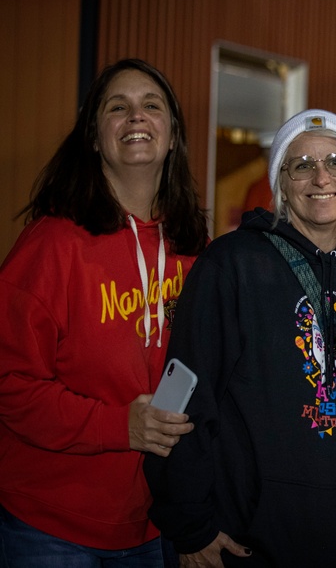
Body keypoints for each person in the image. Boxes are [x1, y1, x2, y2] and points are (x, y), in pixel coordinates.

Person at [144, 109, 336, 567]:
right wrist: (191, 526)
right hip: (248, 535)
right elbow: (184, 397)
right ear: (282, 183)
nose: (321, 177)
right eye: (302, 165)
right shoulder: (232, 263)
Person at [0, 58, 207, 564]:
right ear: (94, 138)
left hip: (155, 523)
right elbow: (10, 383)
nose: (136, 117)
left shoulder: (194, 248)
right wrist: (120, 427)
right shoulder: (51, 244)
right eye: (118, 107)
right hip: (51, 524)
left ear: (173, 134)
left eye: (151, 106)